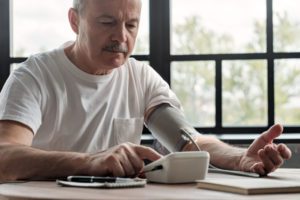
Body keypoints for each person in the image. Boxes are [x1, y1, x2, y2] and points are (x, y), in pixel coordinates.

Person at [0, 0, 291, 182]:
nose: (121, 37)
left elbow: (188, 142)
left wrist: (238, 159)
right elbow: (4, 158)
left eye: (131, 24)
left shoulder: (139, 77)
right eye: (107, 23)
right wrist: (89, 162)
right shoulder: (34, 76)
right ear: (75, 21)